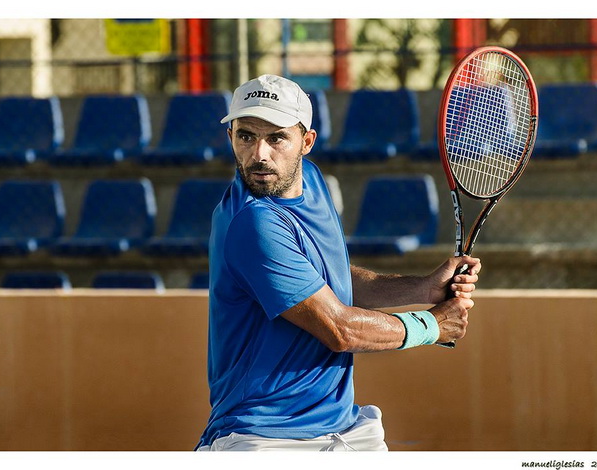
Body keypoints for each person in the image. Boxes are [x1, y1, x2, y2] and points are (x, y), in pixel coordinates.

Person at [196, 74, 481, 451]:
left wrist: (422, 287)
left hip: (344, 427)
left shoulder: (313, 184)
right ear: (230, 137)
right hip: (264, 437)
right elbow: (340, 329)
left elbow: (326, 282)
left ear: (306, 142)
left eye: (276, 137)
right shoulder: (252, 222)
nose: (259, 154)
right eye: (246, 136)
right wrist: (432, 325)